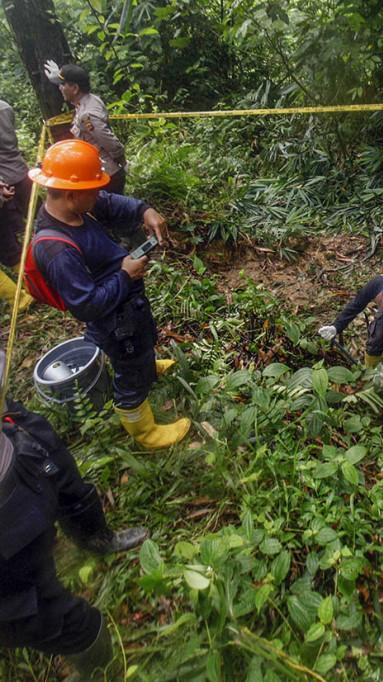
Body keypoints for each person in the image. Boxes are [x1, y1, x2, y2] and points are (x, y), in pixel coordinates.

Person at [28, 139, 190, 450]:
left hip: (123, 305)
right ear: (72, 193)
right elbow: (86, 305)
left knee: (137, 346)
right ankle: (143, 430)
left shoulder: (73, 208)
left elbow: (111, 203)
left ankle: (145, 364)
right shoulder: (56, 249)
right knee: (130, 368)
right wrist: (125, 275)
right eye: (92, 190)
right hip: (113, 316)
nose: (98, 195)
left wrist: (145, 210)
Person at [0, 350, 149, 681]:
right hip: (8, 511)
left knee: (56, 464)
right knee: (30, 613)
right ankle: (95, 656)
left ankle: (96, 538)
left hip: (13, 461)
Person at [43, 61, 128, 197]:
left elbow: (108, 141)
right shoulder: (88, 101)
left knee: (109, 213)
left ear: (75, 88)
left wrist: (122, 162)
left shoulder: (87, 114)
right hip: (100, 171)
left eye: (63, 85)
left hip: (107, 175)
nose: (60, 88)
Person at [0, 98, 32, 311]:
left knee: (10, 247)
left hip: (8, 179)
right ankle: (35, 285)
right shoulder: (5, 107)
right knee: (11, 247)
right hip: (17, 174)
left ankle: (20, 299)